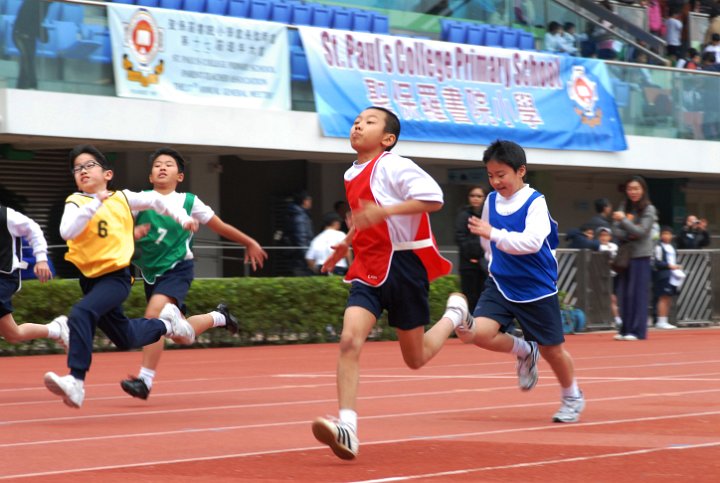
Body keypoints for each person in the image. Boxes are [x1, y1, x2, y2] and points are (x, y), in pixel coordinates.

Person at [310, 106, 473, 460]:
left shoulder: (395, 164)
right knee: (349, 340)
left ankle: (454, 315)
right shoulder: (351, 172)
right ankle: (348, 428)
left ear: (388, 139)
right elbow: (366, 215)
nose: (358, 125)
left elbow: (434, 199)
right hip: (369, 267)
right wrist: (347, 242)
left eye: (368, 122)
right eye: (356, 120)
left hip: (404, 266)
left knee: (415, 358)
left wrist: (383, 213)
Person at [43, 145, 199, 409]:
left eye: (89, 165)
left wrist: (182, 217)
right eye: (78, 168)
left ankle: (76, 382)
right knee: (124, 337)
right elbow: (67, 232)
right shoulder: (76, 202)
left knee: (81, 314)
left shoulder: (123, 197)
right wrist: (95, 203)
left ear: (108, 174)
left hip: (115, 278)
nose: (83, 171)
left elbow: (156, 201)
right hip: (90, 280)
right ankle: (167, 326)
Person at [119, 147, 267, 400]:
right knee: (181, 336)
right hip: (151, 273)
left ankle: (144, 381)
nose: (162, 167)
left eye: (169, 164)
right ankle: (219, 317)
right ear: (150, 176)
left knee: (153, 317)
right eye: (157, 165)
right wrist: (131, 236)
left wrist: (248, 242)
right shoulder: (139, 201)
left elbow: (220, 226)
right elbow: (118, 231)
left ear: (180, 176)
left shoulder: (189, 201)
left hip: (178, 268)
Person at [460, 140, 585, 425]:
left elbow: (530, 242)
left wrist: (493, 234)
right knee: (478, 334)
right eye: (490, 175)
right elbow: (485, 238)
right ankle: (525, 351)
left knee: (553, 350)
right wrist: (493, 261)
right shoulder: (491, 201)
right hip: (501, 282)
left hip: (535, 287)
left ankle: (572, 396)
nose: (495, 181)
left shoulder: (535, 202)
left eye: (501, 174)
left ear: (520, 171)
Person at [0, 203, 68, 345]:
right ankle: (56, 329)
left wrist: (41, 259)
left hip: (4, 277)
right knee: (13, 335)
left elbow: (33, 228)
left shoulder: (6, 215)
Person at [612, 175, 657, 341]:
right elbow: (615, 230)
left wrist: (623, 220)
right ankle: (625, 329)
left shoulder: (649, 209)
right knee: (624, 294)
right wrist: (630, 230)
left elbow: (642, 232)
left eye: (636, 188)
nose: (633, 192)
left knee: (637, 294)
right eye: (630, 189)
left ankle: (638, 331)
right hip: (626, 256)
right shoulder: (624, 205)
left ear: (643, 190)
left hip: (641, 256)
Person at [454, 185, 488, 311]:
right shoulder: (463, 215)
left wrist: (479, 255)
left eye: (479, 196)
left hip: (485, 262)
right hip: (468, 263)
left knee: (485, 296)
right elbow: (460, 238)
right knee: (469, 297)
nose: (475, 199)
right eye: (472, 196)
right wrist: (472, 256)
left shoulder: (489, 214)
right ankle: (469, 327)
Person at [652, 226, 685, 330]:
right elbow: (657, 262)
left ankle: (665, 320)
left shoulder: (672, 246)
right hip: (663, 274)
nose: (666, 236)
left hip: (673, 274)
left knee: (669, 297)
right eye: (664, 234)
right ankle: (660, 321)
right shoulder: (658, 247)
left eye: (668, 234)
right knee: (663, 297)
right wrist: (669, 266)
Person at [12, 0, 49, 89]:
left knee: (29, 60)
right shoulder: (34, 3)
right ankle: (33, 85)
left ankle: (21, 87)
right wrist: (40, 32)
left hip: (30, 36)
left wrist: (41, 32)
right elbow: (27, 19)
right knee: (27, 59)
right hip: (20, 34)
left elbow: (37, 22)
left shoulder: (46, 5)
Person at [305, 211, 349, 276]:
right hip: (339, 268)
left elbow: (309, 258)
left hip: (322, 268)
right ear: (335, 223)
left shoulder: (317, 239)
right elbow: (347, 252)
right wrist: (351, 266)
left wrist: (316, 270)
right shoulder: (340, 235)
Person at [597, 226, 622, 328]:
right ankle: (616, 319)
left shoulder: (614, 246)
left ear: (610, 237)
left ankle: (616, 319)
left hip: (615, 275)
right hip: (602, 276)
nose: (604, 237)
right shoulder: (598, 246)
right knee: (611, 298)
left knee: (615, 297)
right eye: (602, 235)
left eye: (606, 235)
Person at [285, 191, 314, 276]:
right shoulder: (300, 216)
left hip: (297, 257)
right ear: (304, 201)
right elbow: (301, 237)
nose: (311, 202)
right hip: (301, 260)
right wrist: (307, 257)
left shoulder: (297, 214)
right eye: (309, 200)